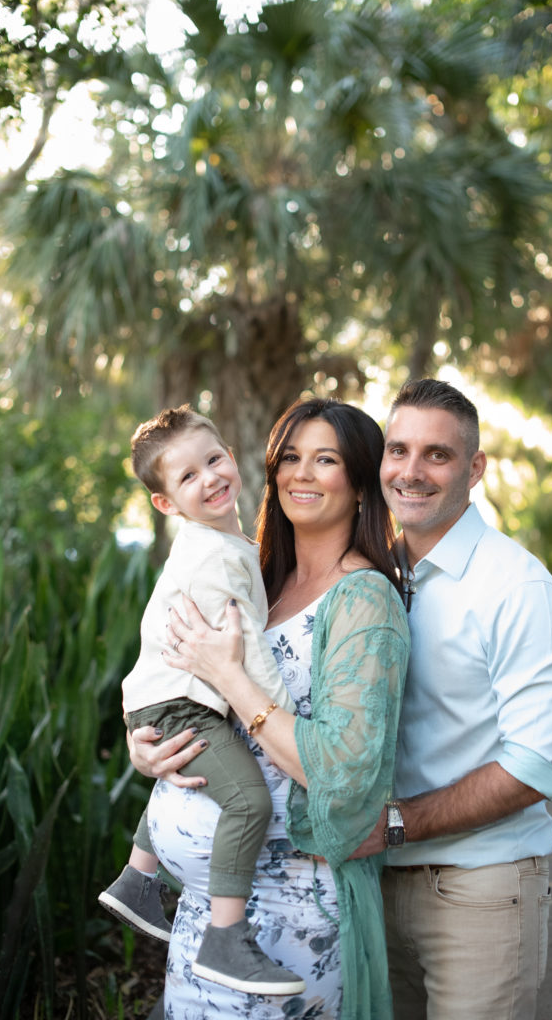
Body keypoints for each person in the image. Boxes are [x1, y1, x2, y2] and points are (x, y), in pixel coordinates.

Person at [128, 398, 410, 1019]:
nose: (302, 474)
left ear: (362, 483)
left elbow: (343, 774)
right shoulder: (257, 575)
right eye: (291, 457)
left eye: (326, 460)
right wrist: (146, 745)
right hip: (205, 916)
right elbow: (178, 678)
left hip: (291, 915)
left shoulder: (363, 600)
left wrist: (232, 678)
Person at [354, 376, 552, 1020]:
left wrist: (394, 825)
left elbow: (534, 766)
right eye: (398, 450)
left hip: (478, 890)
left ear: (474, 468)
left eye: (438, 454)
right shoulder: (372, 575)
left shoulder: (517, 589)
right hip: (374, 885)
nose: (411, 471)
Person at [99, 404, 304, 995]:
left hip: (162, 700)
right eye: (187, 477)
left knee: (198, 771)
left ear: (231, 456)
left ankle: (137, 880)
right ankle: (224, 938)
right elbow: (246, 652)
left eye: (213, 460)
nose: (210, 478)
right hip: (178, 705)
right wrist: (286, 713)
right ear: (165, 502)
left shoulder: (219, 540)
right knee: (247, 802)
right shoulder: (215, 556)